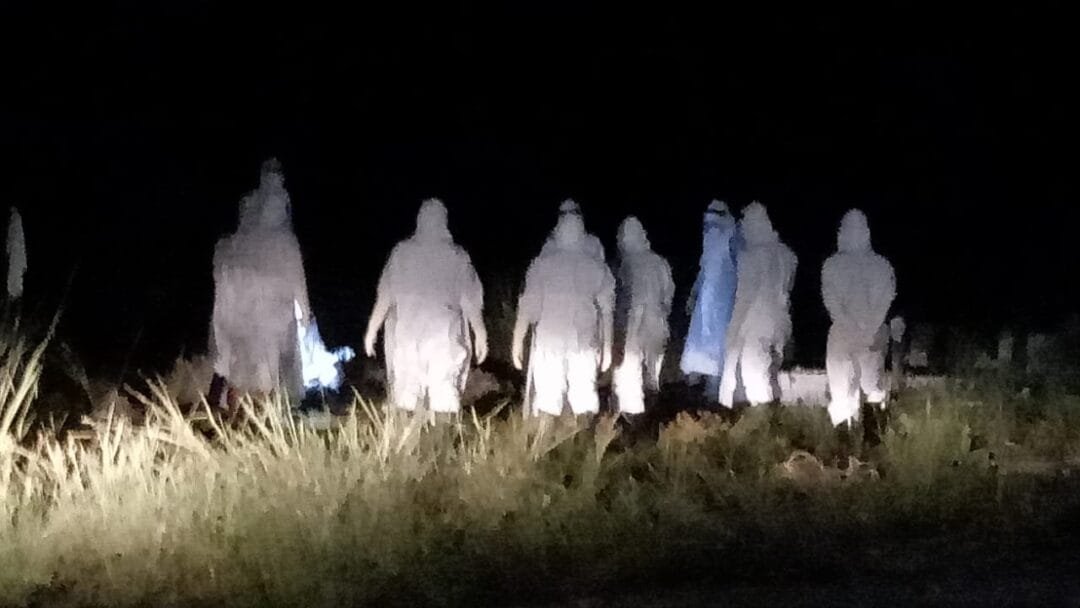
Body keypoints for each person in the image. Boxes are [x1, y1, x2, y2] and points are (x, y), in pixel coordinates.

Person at [364, 198, 487, 414]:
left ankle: (408, 433)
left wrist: (372, 330)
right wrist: (480, 333)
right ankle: (441, 434)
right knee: (444, 391)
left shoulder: (402, 253)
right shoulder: (457, 255)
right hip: (444, 336)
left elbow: (385, 296)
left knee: (407, 392)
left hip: (408, 336)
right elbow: (470, 300)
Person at [210, 158, 311, 409]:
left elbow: (228, 278)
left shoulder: (248, 236)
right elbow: (297, 281)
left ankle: (242, 416)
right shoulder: (279, 239)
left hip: (253, 316)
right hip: (267, 318)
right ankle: (250, 417)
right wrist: (305, 313)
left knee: (246, 370)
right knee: (261, 372)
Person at [512, 212, 615, 417]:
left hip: (551, 341)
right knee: (584, 393)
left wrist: (517, 341)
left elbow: (528, 306)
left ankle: (548, 434)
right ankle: (582, 435)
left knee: (548, 395)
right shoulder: (596, 267)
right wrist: (607, 347)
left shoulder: (542, 264)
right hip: (583, 341)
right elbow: (607, 311)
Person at [821, 209, 896, 427]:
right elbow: (885, 300)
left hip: (844, 335)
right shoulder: (883, 266)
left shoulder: (832, 265)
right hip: (873, 334)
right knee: (873, 383)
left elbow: (831, 302)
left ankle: (846, 434)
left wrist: (850, 326)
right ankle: (874, 431)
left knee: (841, 385)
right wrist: (870, 327)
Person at [718, 202, 797, 407]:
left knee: (755, 375)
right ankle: (775, 414)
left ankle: (764, 418)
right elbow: (787, 286)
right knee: (772, 372)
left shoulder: (750, 256)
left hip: (756, 322)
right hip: (781, 320)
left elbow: (745, 296)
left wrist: (733, 331)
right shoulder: (786, 254)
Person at [612, 216, 674, 415]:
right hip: (657, 320)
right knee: (653, 370)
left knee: (629, 370)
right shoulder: (659, 262)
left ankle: (633, 417)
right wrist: (663, 312)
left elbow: (622, 298)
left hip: (634, 323)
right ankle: (654, 409)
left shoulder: (626, 264)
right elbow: (668, 292)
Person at [679, 200, 739, 402]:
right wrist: (694, 294)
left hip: (724, 301)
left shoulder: (733, 239)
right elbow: (704, 270)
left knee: (718, 345)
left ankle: (714, 391)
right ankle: (694, 391)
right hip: (706, 301)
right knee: (700, 342)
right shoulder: (710, 241)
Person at [539, 199, 606, 261]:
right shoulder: (549, 246)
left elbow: (601, 264)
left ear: (582, 216)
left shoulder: (593, 243)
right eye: (563, 214)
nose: (568, 216)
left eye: (573, 212)